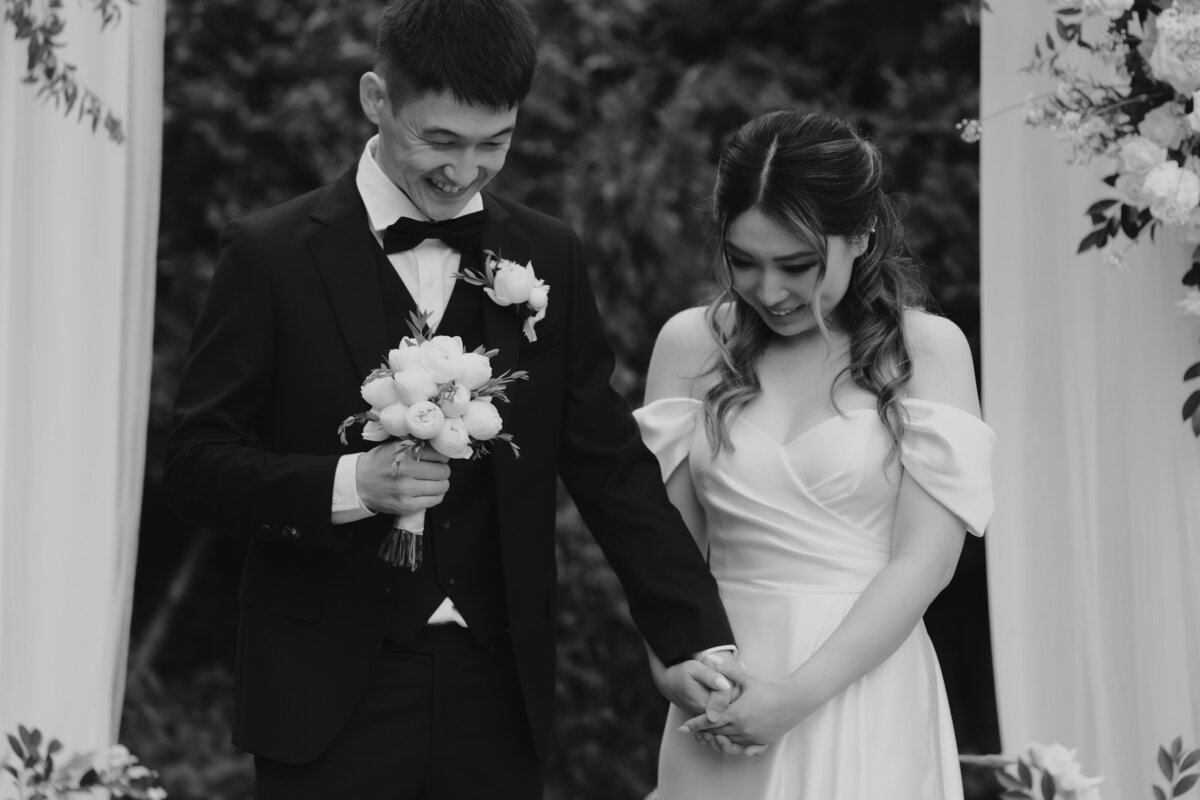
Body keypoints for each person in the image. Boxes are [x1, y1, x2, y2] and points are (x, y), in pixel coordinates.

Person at [161, 1, 736, 797]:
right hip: (325, 693)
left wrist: (695, 639)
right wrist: (349, 486)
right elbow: (195, 466)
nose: (464, 172)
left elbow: (610, 468)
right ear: (375, 98)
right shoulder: (269, 255)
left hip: (497, 689)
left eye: (493, 144)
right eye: (439, 140)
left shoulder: (547, 257)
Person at [634, 109, 996, 799]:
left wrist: (795, 698)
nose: (768, 291)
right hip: (720, 694)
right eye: (744, 261)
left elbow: (927, 561)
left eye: (796, 266)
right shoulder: (688, 345)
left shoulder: (929, 350)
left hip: (860, 687)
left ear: (860, 235)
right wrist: (672, 667)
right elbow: (661, 551)